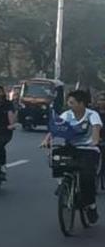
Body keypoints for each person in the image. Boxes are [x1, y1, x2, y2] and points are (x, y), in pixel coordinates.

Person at [42, 89, 102, 223]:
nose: (69, 105)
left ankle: (91, 206)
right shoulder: (66, 115)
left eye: (72, 102)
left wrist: (95, 140)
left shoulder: (92, 115)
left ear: (81, 103)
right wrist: (47, 140)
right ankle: (62, 183)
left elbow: (96, 129)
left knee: (87, 176)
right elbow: (55, 129)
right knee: (56, 158)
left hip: (88, 149)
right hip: (71, 148)